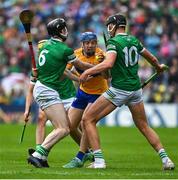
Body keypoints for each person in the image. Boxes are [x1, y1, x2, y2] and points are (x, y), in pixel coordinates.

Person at [79, 14, 175, 170]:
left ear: (113, 26)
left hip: (119, 90)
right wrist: (158, 67)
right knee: (144, 126)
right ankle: (166, 159)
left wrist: (86, 73)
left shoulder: (113, 42)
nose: (108, 29)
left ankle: (99, 161)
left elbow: (109, 64)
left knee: (87, 119)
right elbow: (151, 58)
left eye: (109, 26)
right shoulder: (134, 40)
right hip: (135, 91)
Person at [27, 18, 94, 168]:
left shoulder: (46, 46)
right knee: (64, 128)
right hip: (47, 90)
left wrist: (78, 79)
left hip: (44, 88)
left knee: (66, 126)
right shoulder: (65, 50)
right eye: (63, 28)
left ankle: (42, 156)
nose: (66, 31)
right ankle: (38, 154)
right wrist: (100, 67)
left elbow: (63, 71)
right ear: (60, 31)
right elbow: (81, 65)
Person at [24, 39, 81, 158]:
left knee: (73, 125)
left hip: (67, 96)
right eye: (39, 50)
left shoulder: (58, 61)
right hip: (51, 96)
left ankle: (86, 150)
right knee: (42, 118)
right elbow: (30, 90)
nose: (41, 53)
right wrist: (27, 109)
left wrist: (81, 79)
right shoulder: (38, 69)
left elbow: (68, 72)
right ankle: (40, 150)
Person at [63, 32, 109, 168]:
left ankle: (80, 157)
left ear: (96, 43)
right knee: (70, 126)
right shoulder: (75, 54)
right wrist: (79, 79)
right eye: (87, 43)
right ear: (82, 44)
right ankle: (89, 152)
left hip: (99, 94)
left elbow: (107, 77)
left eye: (93, 43)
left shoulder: (101, 55)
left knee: (85, 122)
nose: (90, 45)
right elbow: (64, 71)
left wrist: (103, 64)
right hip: (82, 93)